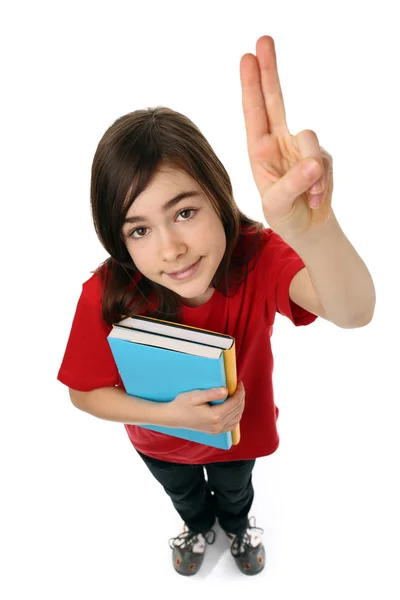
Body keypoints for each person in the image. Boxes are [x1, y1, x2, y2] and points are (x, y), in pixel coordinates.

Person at [57, 35, 375, 577]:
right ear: (118, 237)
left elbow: (353, 312)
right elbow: (84, 394)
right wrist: (169, 417)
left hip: (238, 435)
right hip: (158, 441)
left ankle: (235, 525)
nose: (170, 249)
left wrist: (314, 233)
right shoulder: (108, 291)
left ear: (217, 194)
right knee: (184, 497)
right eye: (139, 228)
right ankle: (196, 526)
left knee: (237, 492)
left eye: (184, 212)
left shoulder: (256, 256)